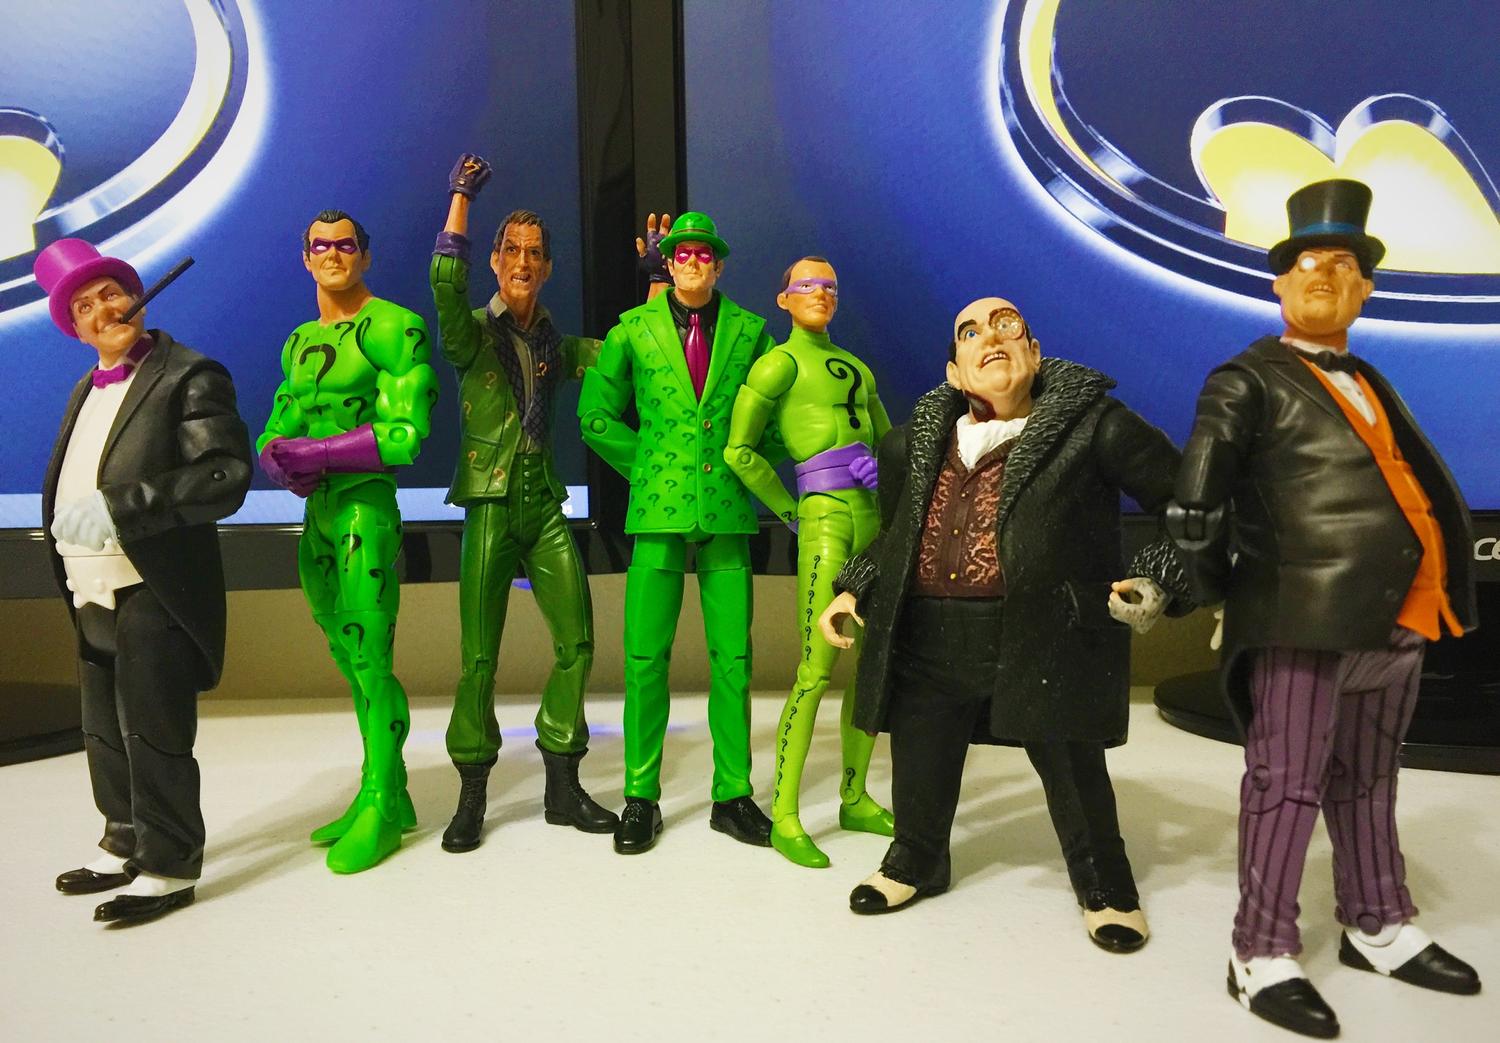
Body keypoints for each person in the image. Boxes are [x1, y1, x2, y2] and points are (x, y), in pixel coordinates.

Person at [1169, 178, 1481, 1038]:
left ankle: (1376, 920)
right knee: (1285, 782)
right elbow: (1194, 508)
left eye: (1342, 264)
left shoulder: (1369, 378)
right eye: (1306, 261)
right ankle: (1261, 948)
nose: (1322, 274)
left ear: (1365, 289)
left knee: (1371, 777)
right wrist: (1233, 593)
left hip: (1403, 616)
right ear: (1279, 282)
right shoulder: (1247, 378)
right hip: (1301, 621)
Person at [820, 297, 1188, 953]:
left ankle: (1104, 879)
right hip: (930, 634)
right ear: (954, 370)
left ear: (1034, 352)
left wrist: (1158, 575)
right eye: (970, 332)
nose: (989, 336)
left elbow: (1191, 502)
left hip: (1044, 634)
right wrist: (855, 585)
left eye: (1006, 325)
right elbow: (900, 533)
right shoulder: (912, 442)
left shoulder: (1092, 426)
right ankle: (916, 857)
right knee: (921, 753)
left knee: (1071, 763)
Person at [36, 238, 252, 924]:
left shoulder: (189, 374)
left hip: (151, 583)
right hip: (88, 586)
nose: (104, 310)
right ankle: (124, 835)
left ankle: (170, 860)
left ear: (137, 296)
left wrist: (121, 506)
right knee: (102, 725)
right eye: (84, 305)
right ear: (74, 327)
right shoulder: (85, 387)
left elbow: (223, 473)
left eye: (111, 293)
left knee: (155, 728)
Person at [429, 154, 617, 851]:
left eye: (534, 253)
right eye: (512, 250)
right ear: (496, 260)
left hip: (542, 505)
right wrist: (460, 199)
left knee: (578, 641)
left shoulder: (552, 344)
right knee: (479, 656)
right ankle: (472, 791)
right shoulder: (472, 335)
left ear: (547, 266)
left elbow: (623, 352)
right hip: (489, 504)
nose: (523, 262)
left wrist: (659, 279)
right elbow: (444, 283)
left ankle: (562, 783)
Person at [578, 211, 775, 854]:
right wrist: (649, 463)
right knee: (643, 660)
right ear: (667, 263)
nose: (692, 263)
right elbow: (594, 415)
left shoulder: (751, 331)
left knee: (734, 660)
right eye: (682, 254)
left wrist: (754, 460)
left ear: (719, 265)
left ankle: (733, 793)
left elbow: (773, 417)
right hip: (658, 514)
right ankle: (640, 794)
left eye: (704, 254)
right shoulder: (632, 330)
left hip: (726, 510)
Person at [258, 209, 438, 874]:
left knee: (370, 656)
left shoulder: (394, 327)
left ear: (364, 253)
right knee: (346, 652)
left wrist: (321, 453)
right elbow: (279, 418)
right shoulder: (300, 340)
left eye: (345, 244)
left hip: (364, 508)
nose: (333, 254)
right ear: (306, 257)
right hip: (320, 515)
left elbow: (405, 433)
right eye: (320, 245)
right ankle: (383, 786)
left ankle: (382, 799)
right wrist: (276, 456)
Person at [724, 255, 894, 869]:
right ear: (784, 299)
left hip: (872, 520)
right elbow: (739, 450)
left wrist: (886, 473)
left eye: (829, 286)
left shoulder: (856, 367)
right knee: (816, 668)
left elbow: (890, 441)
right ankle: (786, 815)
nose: (820, 294)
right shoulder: (779, 363)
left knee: (872, 668)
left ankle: (854, 796)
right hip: (824, 520)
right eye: (806, 286)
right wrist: (791, 509)